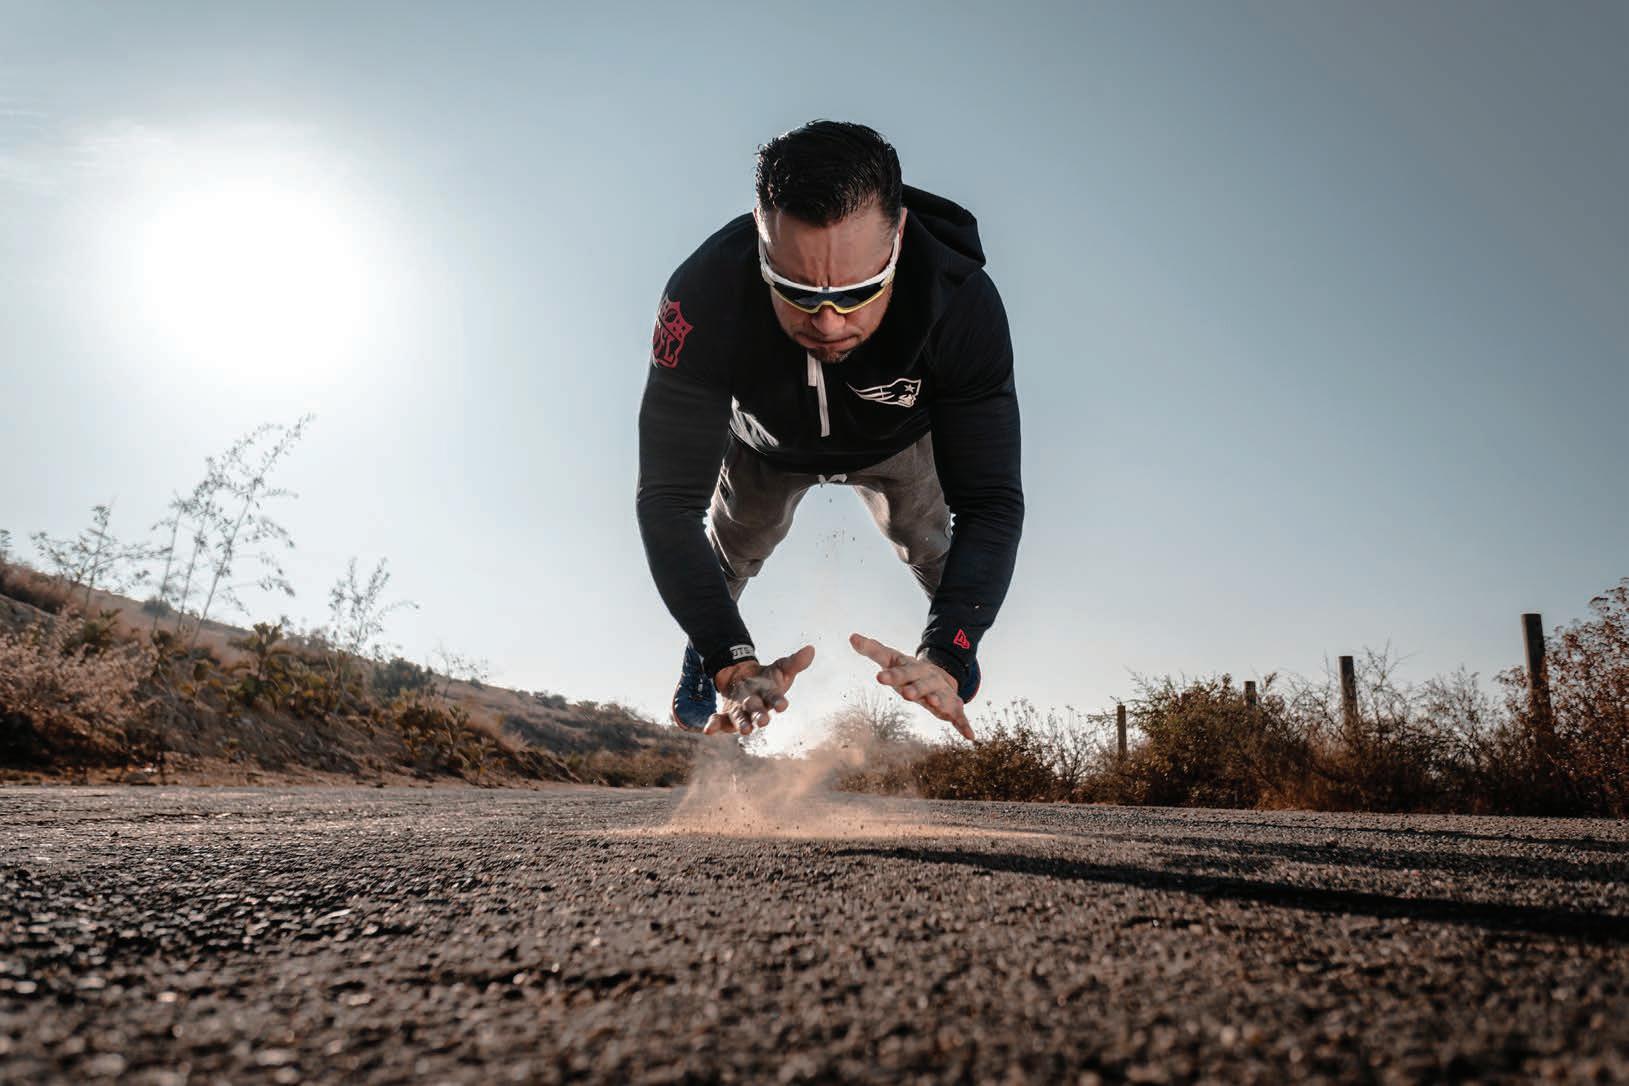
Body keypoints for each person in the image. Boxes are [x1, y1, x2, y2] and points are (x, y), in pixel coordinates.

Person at [636, 120, 1023, 740]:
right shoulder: (702, 296)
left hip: (898, 441)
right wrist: (725, 655)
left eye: (859, 291)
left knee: (927, 542)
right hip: (766, 445)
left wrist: (950, 650)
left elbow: (991, 501)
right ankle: (709, 651)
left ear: (898, 238)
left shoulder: (962, 304)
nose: (827, 321)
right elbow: (667, 501)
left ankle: (951, 650)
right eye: (793, 290)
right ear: (761, 241)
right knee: (733, 550)